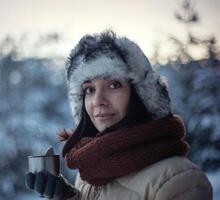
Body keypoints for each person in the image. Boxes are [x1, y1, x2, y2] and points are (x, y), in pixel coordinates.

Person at [25, 30, 213, 200]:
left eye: (114, 85)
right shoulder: (89, 172)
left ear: (141, 94)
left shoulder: (180, 181)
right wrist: (67, 197)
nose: (98, 100)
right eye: (89, 89)